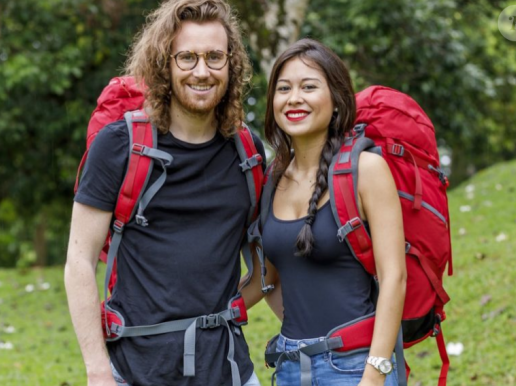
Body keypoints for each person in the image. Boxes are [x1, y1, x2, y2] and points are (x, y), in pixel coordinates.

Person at [64, 1, 265, 385]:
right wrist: (97, 371)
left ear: (232, 63)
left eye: (215, 57)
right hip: (134, 371)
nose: (202, 71)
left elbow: (267, 261)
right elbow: (79, 260)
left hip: (229, 369)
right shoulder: (118, 145)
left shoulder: (247, 151)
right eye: (187, 57)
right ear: (164, 63)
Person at [246, 38, 407, 386]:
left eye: (308, 87)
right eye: (283, 88)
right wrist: (197, 317)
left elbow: (395, 277)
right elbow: (267, 279)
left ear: (335, 100)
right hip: (289, 366)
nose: (294, 98)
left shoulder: (367, 170)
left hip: (354, 367)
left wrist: (375, 373)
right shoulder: (272, 179)